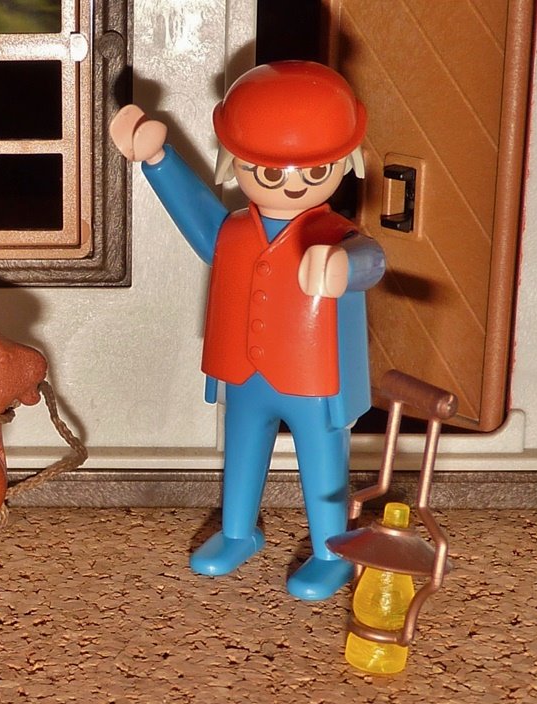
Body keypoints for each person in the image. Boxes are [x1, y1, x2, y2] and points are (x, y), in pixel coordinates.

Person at [111, 61, 385, 599]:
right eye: (269, 172)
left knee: (323, 465)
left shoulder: (337, 234)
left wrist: (344, 267)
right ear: (235, 162)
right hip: (244, 371)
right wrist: (158, 160)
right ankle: (238, 532)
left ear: (345, 163)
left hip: (314, 377)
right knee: (240, 453)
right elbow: (198, 219)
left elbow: (371, 260)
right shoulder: (233, 229)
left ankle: (332, 551)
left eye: (312, 172)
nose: (290, 184)